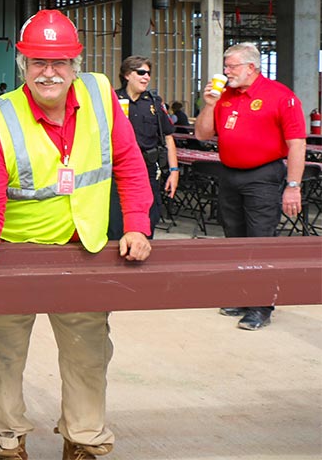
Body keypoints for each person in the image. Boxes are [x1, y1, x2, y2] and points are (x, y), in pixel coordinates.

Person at [0, 9, 152, 460]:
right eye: (38, 63)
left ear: (76, 64)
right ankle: (9, 440)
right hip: (14, 253)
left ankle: (83, 440)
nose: (49, 73)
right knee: (3, 353)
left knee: (88, 353)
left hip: (82, 249)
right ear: (22, 65)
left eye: (60, 62)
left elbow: (128, 164)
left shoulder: (101, 96)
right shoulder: (0, 119)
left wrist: (138, 225)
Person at [194, 42, 307, 331]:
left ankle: (261, 306)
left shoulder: (280, 96)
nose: (226, 71)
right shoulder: (224, 96)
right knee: (235, 239)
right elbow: (203, 135)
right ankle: (242, 296)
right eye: (226, 66)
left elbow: (297, 144)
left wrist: (293, 186)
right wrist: (208, 105)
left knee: (259, 240)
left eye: (231, 66)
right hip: (230, 174)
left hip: (263, 176)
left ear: (251, 67)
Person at [108, 55, 179, 239]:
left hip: (147, 170)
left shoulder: (154, 103)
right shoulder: (112, 99)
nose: (146, 77)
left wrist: (174, 170)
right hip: (117, 171)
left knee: (148, 221)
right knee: (116, 221)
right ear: (126, 75)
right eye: (141, 72)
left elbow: (168, 137)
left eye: (148, 73)